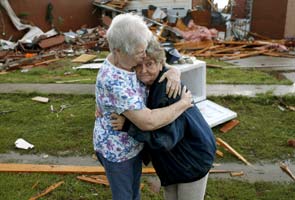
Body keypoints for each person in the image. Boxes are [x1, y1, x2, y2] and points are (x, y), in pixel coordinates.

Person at [93, 13, 193, 200]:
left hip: (133, 145)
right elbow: (148, 122)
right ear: (119, 51)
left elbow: (158, 58)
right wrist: (183, 104)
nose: (144, 55)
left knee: (134, 192)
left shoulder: (121, 57)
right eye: (140, 52)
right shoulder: (115, 82)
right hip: (118, 152)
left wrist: (173, 70)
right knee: (125, 195)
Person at [112, 37, 216, 200]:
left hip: (191, 160)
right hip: (174, 163)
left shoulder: (169, 90)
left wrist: (128, 126)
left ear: (160, 64)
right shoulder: (149, 85)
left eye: (150, 64)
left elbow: (164, 139)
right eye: (139, 65)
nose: (143, 70)